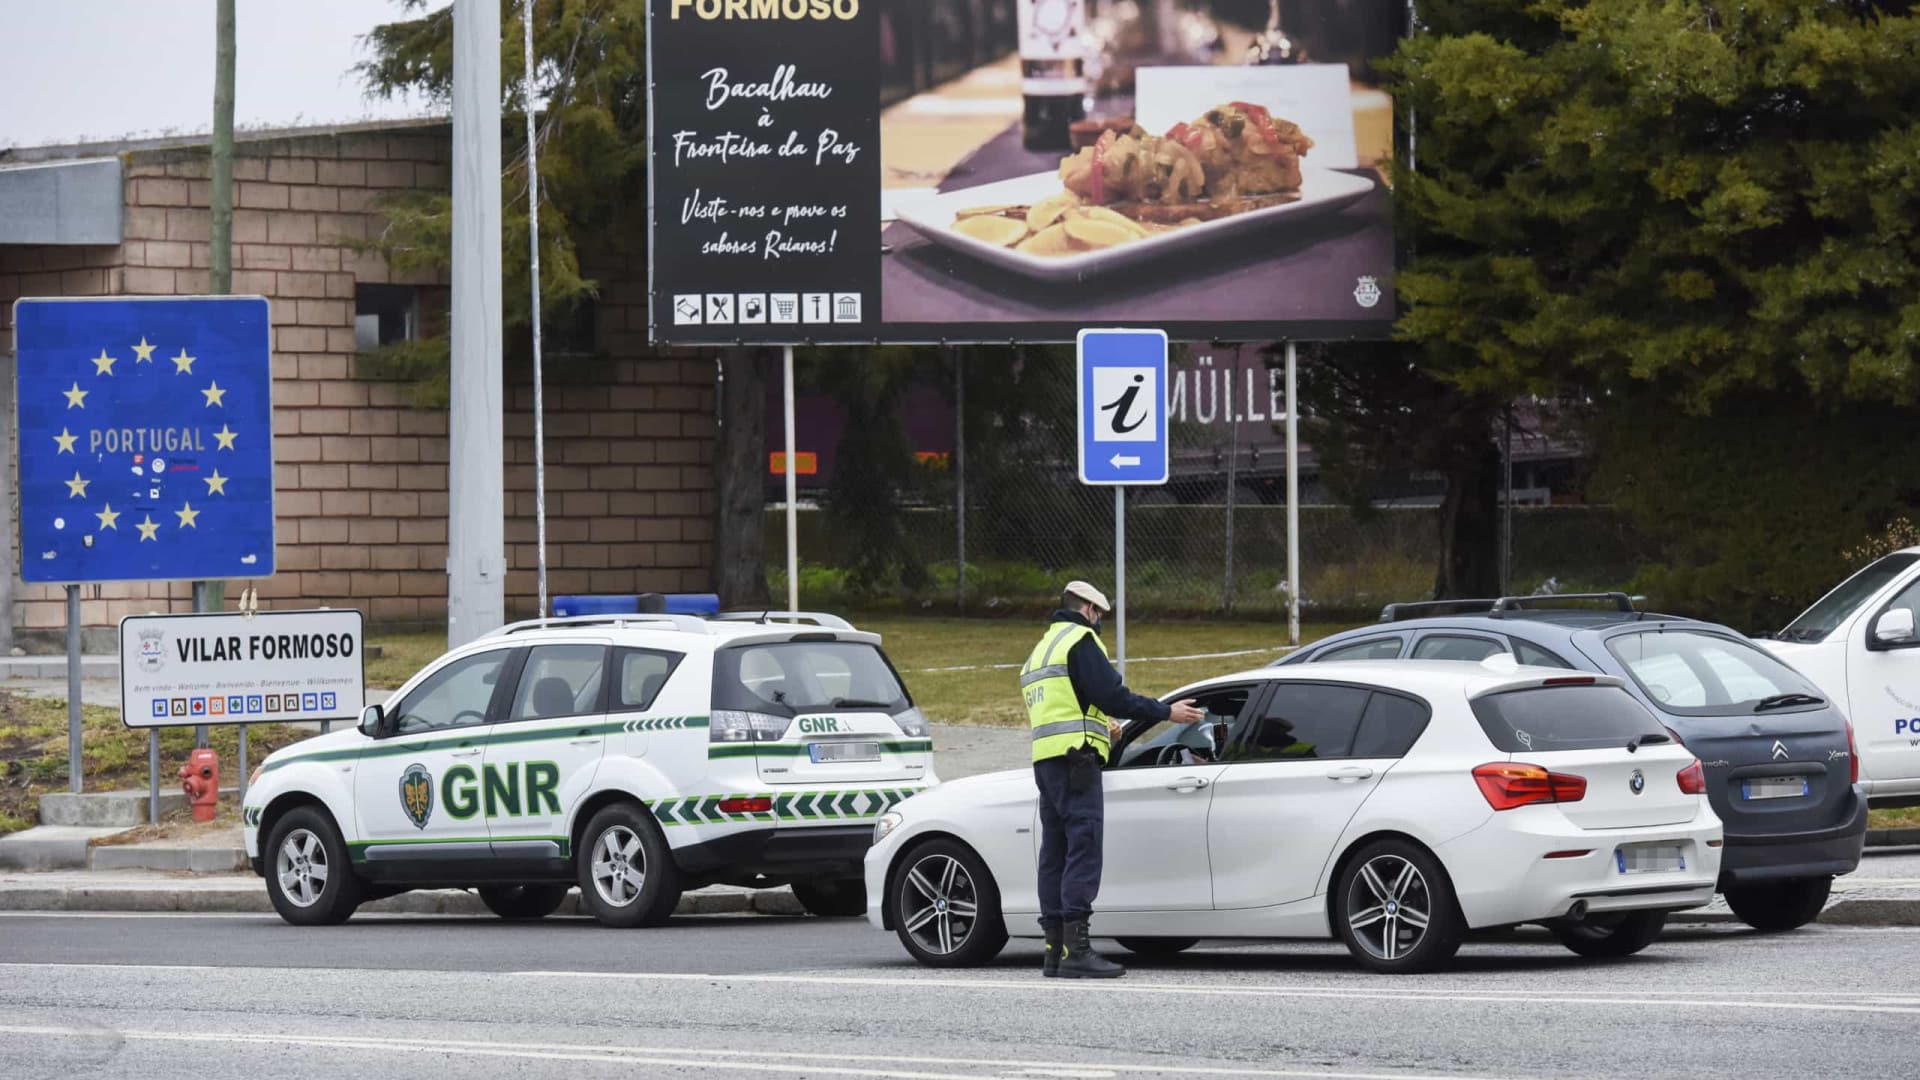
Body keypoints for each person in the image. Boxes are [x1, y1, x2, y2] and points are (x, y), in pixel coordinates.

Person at [1020, 580, 1206, 978]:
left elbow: (1065, 706)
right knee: (1083, 849)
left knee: (1054, 853)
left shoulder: (1040, 650)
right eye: (1099, 615)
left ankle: (1054, 951)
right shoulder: (1081, 640)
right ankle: (1078, 952)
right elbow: (1113, 696)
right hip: (1077, 763)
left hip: (1047, 763)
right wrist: (1165, 713)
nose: (1100, 622)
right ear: (1087, 609)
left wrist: (1103, 728)